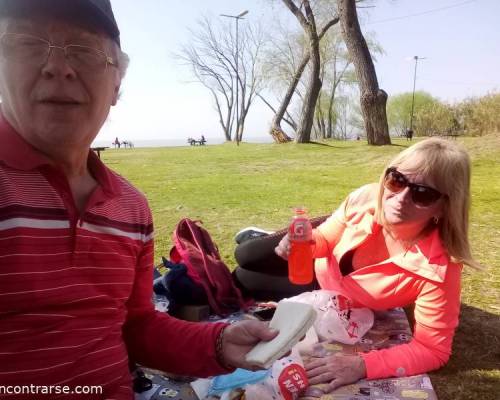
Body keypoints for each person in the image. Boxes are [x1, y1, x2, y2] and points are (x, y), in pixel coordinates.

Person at [0, 1, 276, 398]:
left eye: (83, 50)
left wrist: (219, 343)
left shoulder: (130, 208)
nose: (57, 67)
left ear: (116, 87)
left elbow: (136, 326)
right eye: (28, 42)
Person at [234, 137, 480, 391]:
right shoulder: (366, 198)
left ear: (444, 207)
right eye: (397, 180)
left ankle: (259, 241)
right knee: (246, 254)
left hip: (328, 296)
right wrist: (304, 243)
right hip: (319, 265)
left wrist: (362, 365)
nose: (400, 198)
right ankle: (262, 236)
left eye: (423, 194)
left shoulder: (440, 267)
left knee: (242, 279)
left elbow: (433, 350)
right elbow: (325, 239)